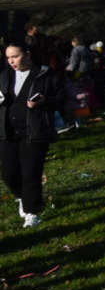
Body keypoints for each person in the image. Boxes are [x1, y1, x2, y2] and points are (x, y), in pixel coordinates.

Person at [0, 42, 66, 228]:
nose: (11, 61)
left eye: (15, 56)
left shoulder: (46, 74)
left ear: (27, 54)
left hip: (35, 131)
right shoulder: (5, 76)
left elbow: (62, 100)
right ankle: (23, 196)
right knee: (8, 174)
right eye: (8, 57)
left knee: (30, 173)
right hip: (8, 132)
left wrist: (45, 101)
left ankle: (32, 211)